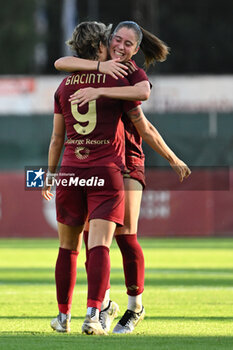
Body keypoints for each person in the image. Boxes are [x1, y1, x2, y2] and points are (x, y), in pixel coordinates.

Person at [53, 21, 191, 334]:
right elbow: (60, 62)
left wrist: (172, 158)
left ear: (136, 49)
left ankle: (134, 307)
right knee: (92, 237)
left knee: (125, 235)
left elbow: (144, 116)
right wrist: (99, 69)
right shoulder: (99, 67)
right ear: (109, 40)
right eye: (117, 39)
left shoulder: (129, 73)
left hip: (127, 161)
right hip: (101, 162)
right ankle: (101, 305)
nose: (121, 46)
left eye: (128, 43)